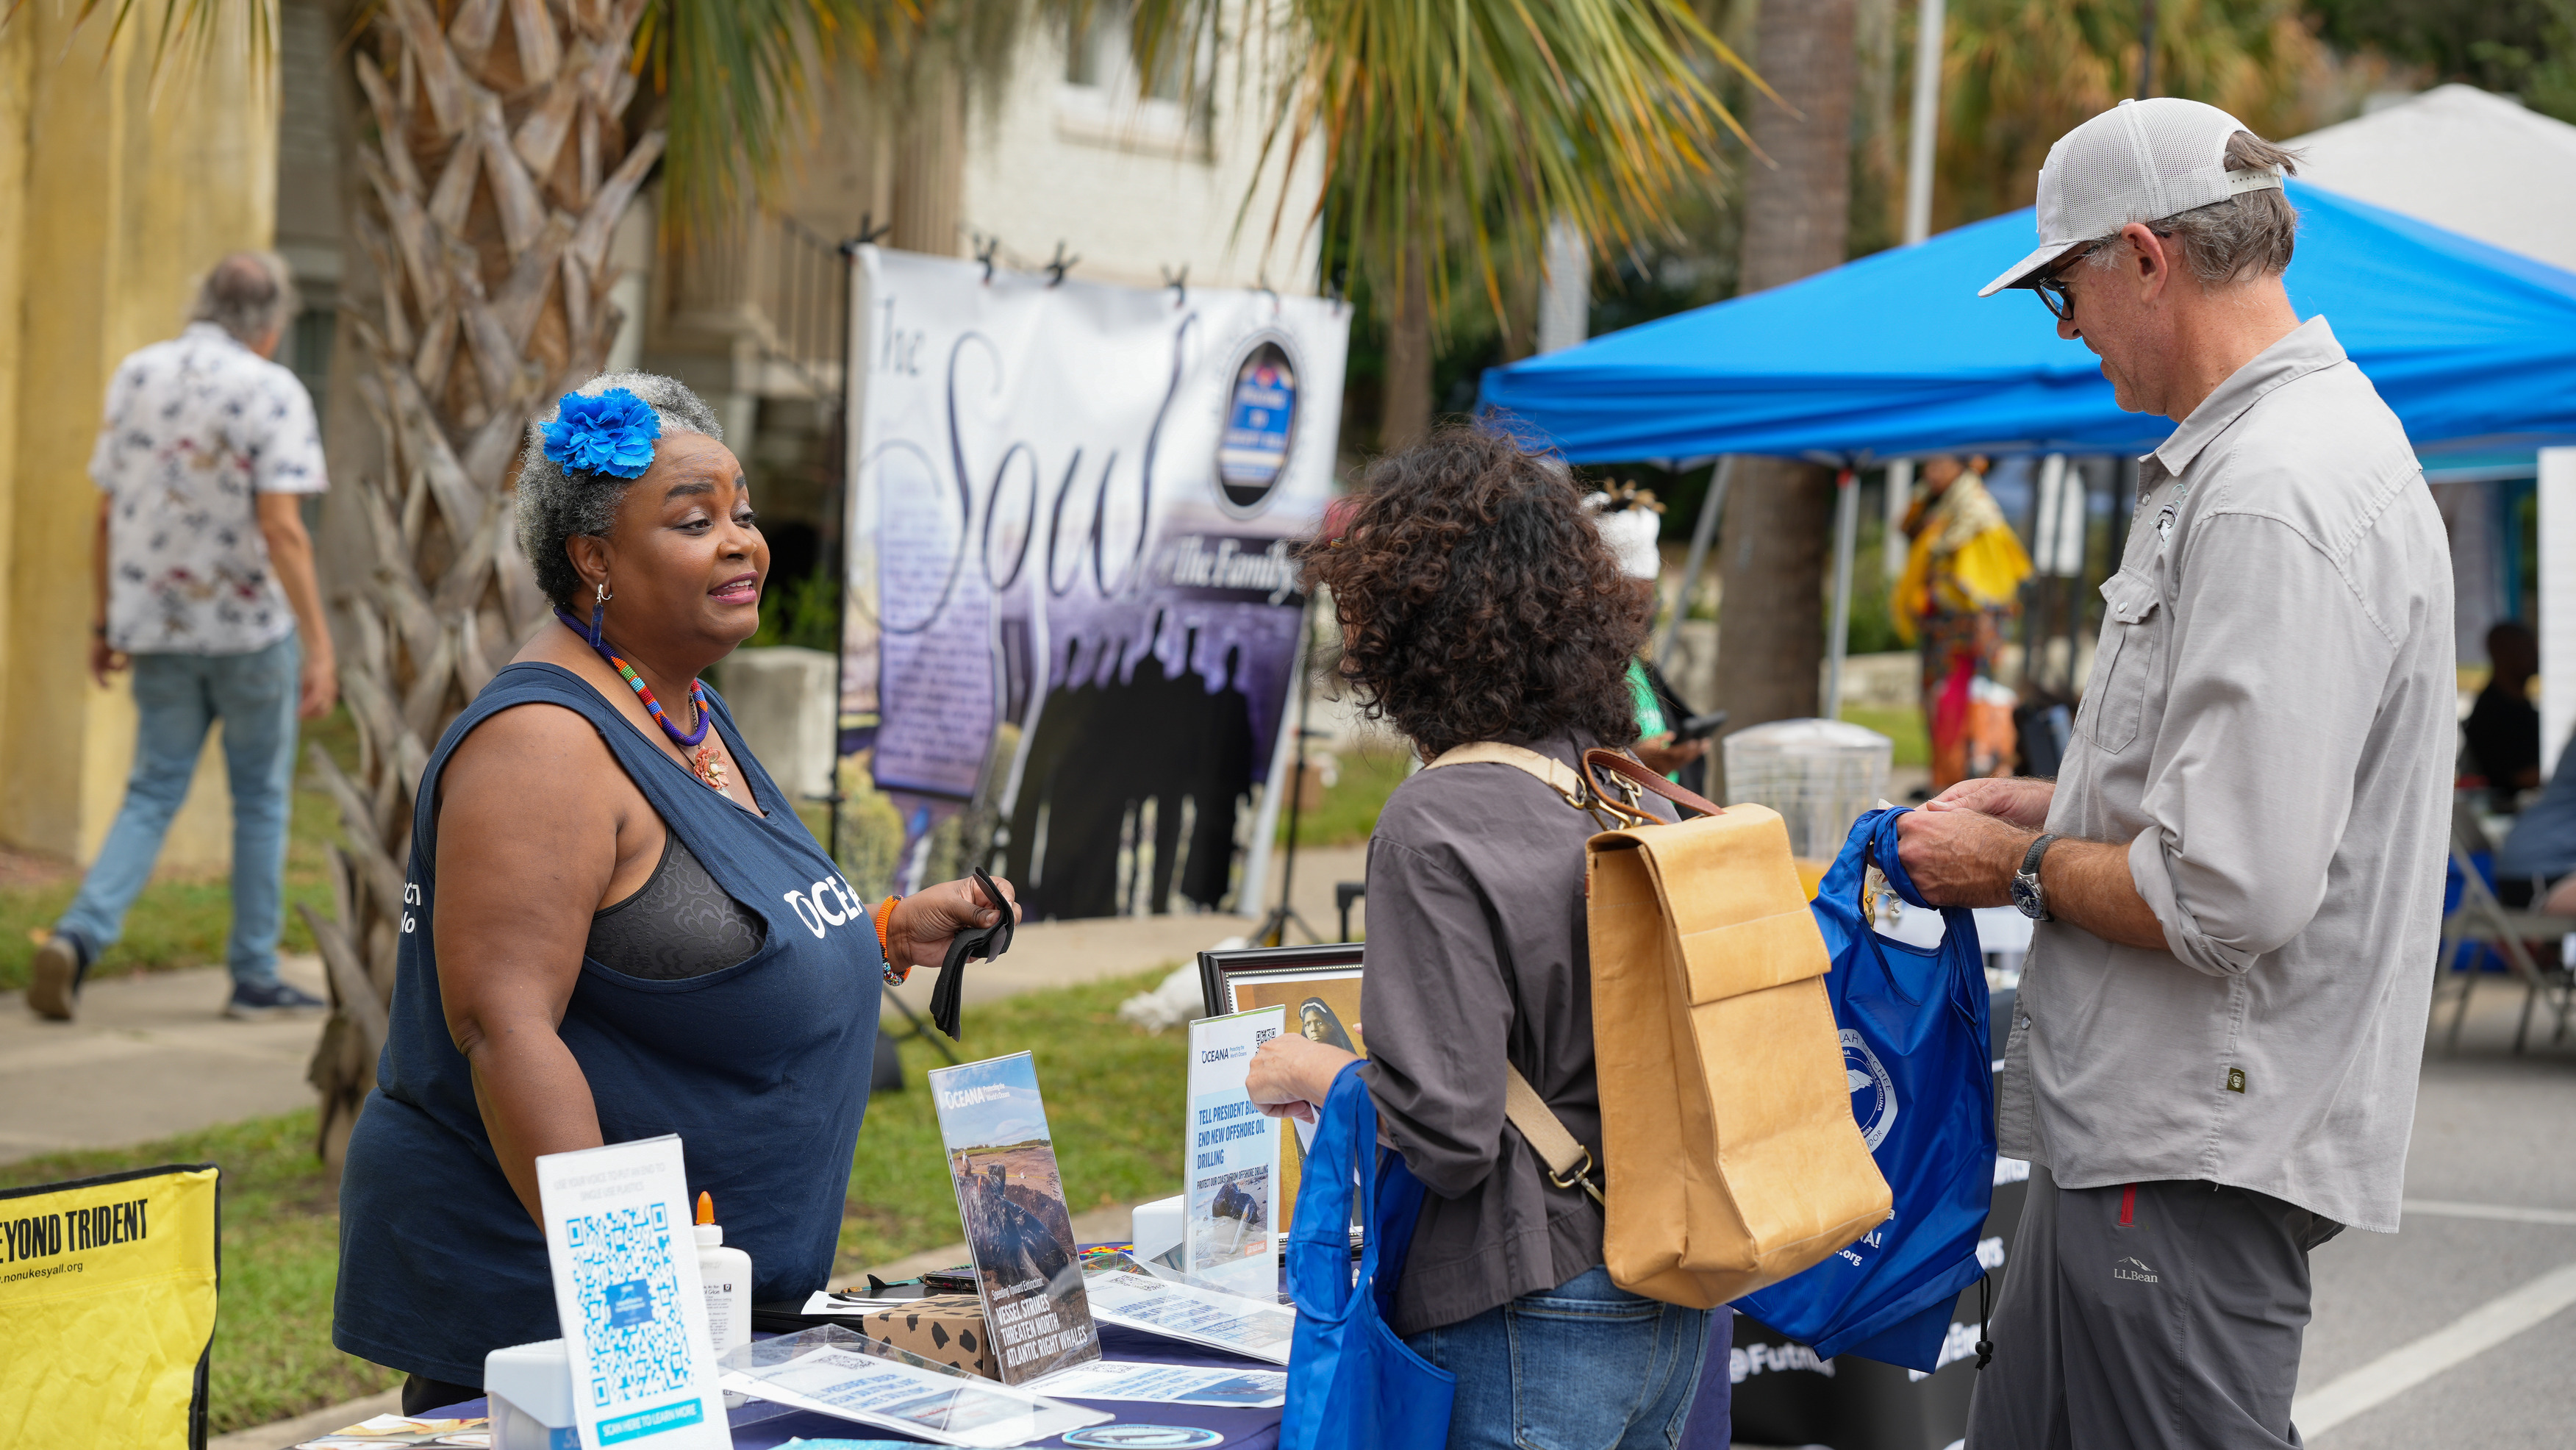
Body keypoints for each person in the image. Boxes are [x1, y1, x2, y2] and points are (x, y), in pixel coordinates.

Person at [1899, 99, 2453, 1449]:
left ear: (2143, 256)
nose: (2066, 328)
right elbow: (2232, 807)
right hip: (2150, 1148)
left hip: (2181, 1157)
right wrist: (2058, 803)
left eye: (2063, 289)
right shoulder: (2277, 460)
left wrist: (2014, 863)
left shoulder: (2271, 489)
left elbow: (2226, 892)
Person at [332, 374, 1017, 1414]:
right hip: (570, 1346)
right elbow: (505, 1028)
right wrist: (639, 1319)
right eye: (695, 520)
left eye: (741, 512)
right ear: (594, 557)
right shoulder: (542, 748)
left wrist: (879, 929)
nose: (742, 540)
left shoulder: (678, 700)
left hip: (725, 1326)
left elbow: (674, 933)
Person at [1243, 428, 1716, 1450]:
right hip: (1666, 1293)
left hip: (1530, 1307)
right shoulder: (1627, 796)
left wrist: (1319, 1070)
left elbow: (1449, 1135)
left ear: (1405, 632)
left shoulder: (1436, 821)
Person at [28, 252, 338, 1023]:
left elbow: (104, 514)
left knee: (152, 787)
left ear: (202, 302)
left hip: (157, 625)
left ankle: (79, 933)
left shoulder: (137, 374)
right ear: (270, 326)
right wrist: (321, 645)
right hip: (251, 634)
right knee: (261, 801)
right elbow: (282, 529)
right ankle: (254, 976)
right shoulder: (273, 388)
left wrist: (105, 622)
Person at [1894, 454, 2031, 790]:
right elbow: (1906, 530)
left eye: (1939, 465)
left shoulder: (1975, 508)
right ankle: (1943, 778)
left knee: (1961, 702)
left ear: (1964, 466)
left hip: (1969, 630)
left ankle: (1966, 782)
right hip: (1942, 627)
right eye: (1927, 466)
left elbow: (1977, 576)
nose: (1931, 472)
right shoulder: (1938, 504)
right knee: (1937, 701)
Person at [1589, 484, 1707, 785]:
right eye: (1634, 604)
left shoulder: (1639, 664)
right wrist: (1635, 767)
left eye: (1652, 601)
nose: (1646, 615)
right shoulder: (1578, 677)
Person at [2463, 620, 2541, 804]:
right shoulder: (2491, 712)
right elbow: (2520, 775)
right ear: (2502, 653)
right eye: (2526, 649)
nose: (2536, 656)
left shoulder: (2521, 705)